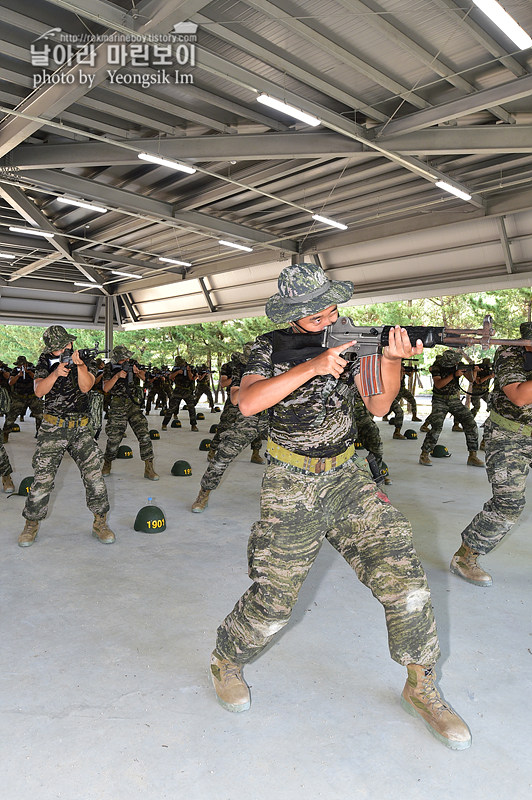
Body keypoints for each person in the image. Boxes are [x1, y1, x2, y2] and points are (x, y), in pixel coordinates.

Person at [209, 263, 471, 751]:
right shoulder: (268, 348)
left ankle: (421, 687)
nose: (330, 312)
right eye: (317, 309)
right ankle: (227, 659)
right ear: (294, 314)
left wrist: (391, 358)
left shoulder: (353, 341)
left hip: (350, 477)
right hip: (291, 484)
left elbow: (377, 405)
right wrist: (312, 365)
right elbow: (247, 403)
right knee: (274, 600)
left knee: (408, 583)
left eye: (332, 303)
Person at [450, 322, 532, 587]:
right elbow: (519, 396)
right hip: (509, 437)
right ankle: (465, 556)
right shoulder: (510, 352)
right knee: (509, 503)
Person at [17, 325, 114, 547]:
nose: (67, 348)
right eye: (61, 347)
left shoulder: (81, 358)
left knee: (94, 477)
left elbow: (86, 387)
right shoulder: (44, 361)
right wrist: (55, 373)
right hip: (53, 428)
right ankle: (31, 524)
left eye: (67, 344)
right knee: (42, 480)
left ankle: (100, 522)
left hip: (80, 428)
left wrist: (79, 365)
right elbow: (39, 391)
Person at [191, 345, 268, 513]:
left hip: (273, 415)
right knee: (223, 455)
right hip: (249, 417)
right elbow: (234, 399)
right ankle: (204, 493)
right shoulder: (241, 372)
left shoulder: (274, 366)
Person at [101, 345, 159, 480]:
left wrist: (138, 372)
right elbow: (106, 388)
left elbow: (146, 380)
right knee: (114, 438)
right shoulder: (109, 367)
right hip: (117, 405)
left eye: (128, 357)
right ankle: (107, 463)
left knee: (144, 434)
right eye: (124, 358)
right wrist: (117, 376)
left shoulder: (133, 364)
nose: (127, 360)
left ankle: (149, 468)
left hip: (133, 404)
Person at [419, 350, 483, 467]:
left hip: (454, 400)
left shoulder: (458, 366)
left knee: (470, 423)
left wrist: (473, 371)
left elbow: (471, 380)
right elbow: (438, 384)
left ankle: (472, 456)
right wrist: (453, 375)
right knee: (436, 427)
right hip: (439, 400)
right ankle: (424, 454)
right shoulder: (436, 367)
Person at [3, 356, 43, 441]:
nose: (21, 367)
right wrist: (18, 375)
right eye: (19, 365)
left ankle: (40, 434)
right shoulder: (15, 370)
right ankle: (5, 434)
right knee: (11, 417)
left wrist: (29, 372)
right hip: (19, 397)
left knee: (40, 416)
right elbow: (10, 382)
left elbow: (38, 379)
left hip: (32, 397)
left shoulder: (32, 368)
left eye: (23, 365)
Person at [161, 357, 198, 432]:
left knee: (191, 408)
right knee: (171, 408)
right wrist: (178, 372)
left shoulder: (190, 368)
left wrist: (188, 371)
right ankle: (164, 424)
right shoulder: (176, 369)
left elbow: (192, 378)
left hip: (187, 391)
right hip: (178, 390)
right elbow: (170, 377)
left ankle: (193, 425)